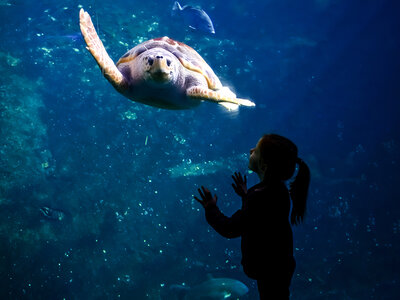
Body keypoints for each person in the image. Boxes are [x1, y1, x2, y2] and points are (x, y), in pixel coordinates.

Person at [194, 133, 310, 299]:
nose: (251, 150)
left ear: (264, 165)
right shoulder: (278, 190)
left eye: (256, 150)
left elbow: (230, 228)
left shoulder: (259, 196)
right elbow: (260, 220)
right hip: (279, 266)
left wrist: (211, 208)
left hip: (269, 269)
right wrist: (246, 196)